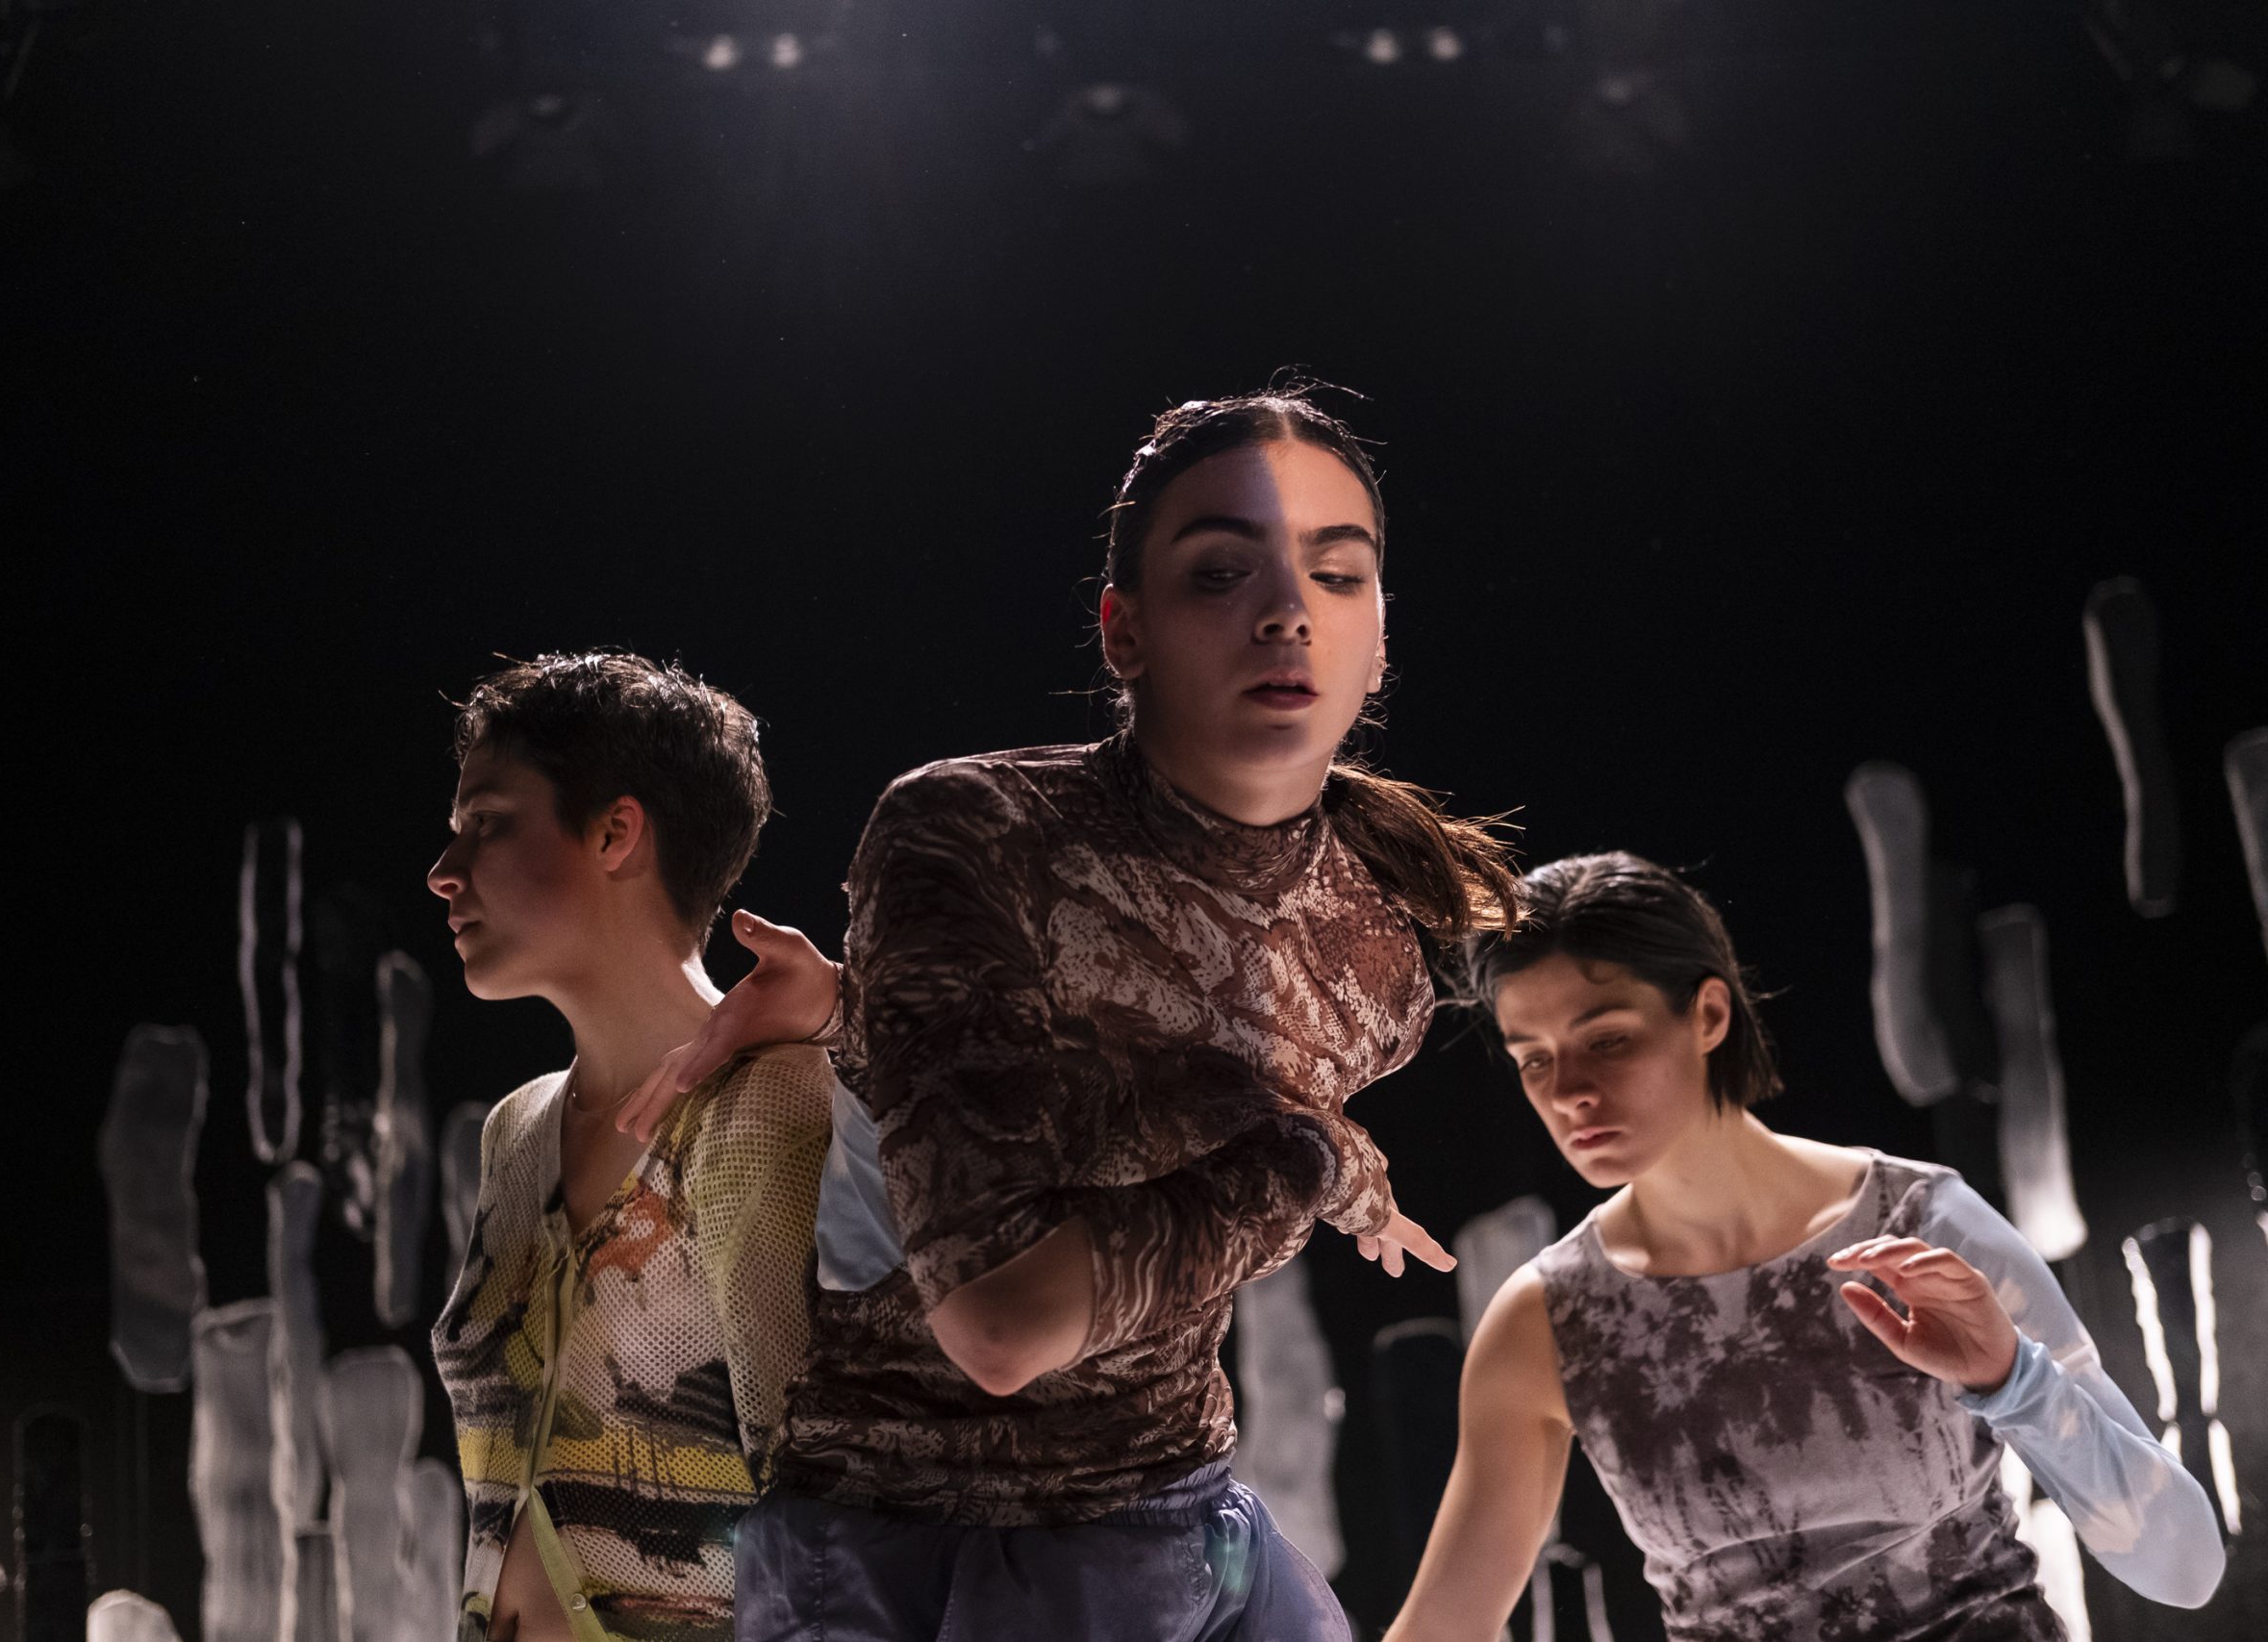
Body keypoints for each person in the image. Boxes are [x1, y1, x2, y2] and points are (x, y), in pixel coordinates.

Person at [615, 388, 1521, 1641]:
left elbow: (1105, 1092)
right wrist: (1307, 1161)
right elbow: (1000, 1319)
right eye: (1221, 571)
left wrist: (860, 1017)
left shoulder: (1384, 953)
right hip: (913, 1546)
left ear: (1377, 635)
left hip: (1185, 1516)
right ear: (1123, 629)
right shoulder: (976, 832)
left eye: (1336, 573)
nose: (1287, 612)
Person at [1383, 851, 2226, 1642]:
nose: (1568, 1090)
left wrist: (2017, 1381)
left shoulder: (1922, 1223)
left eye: (1607, 1039)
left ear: (1708, 1014)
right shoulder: (1551, 1320)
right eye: (1534, 1059)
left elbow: (2184, 1565)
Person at [425, 650, 833, 1642]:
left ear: (616, 833)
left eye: (489, 822)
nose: (444, 871)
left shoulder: (764, 1106)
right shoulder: (516, 1132)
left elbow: (824, 1511)